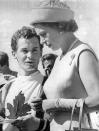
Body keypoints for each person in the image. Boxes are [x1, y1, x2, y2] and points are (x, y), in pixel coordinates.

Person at [30, 0, 99, 130]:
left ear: (60, 26)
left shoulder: (82, 52)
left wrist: (56, 104)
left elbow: (98, 100)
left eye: (44, 34)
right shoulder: (58, 59)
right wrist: (42, 106)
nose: (42, 42)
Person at [0, 26, 50, 131]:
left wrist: (39, 125)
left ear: (41, 52)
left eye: (35, 50)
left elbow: (59, 125)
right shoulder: (6, 88)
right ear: (14, 53)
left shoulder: (49, 85)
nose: (30, 56)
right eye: (24, 50)